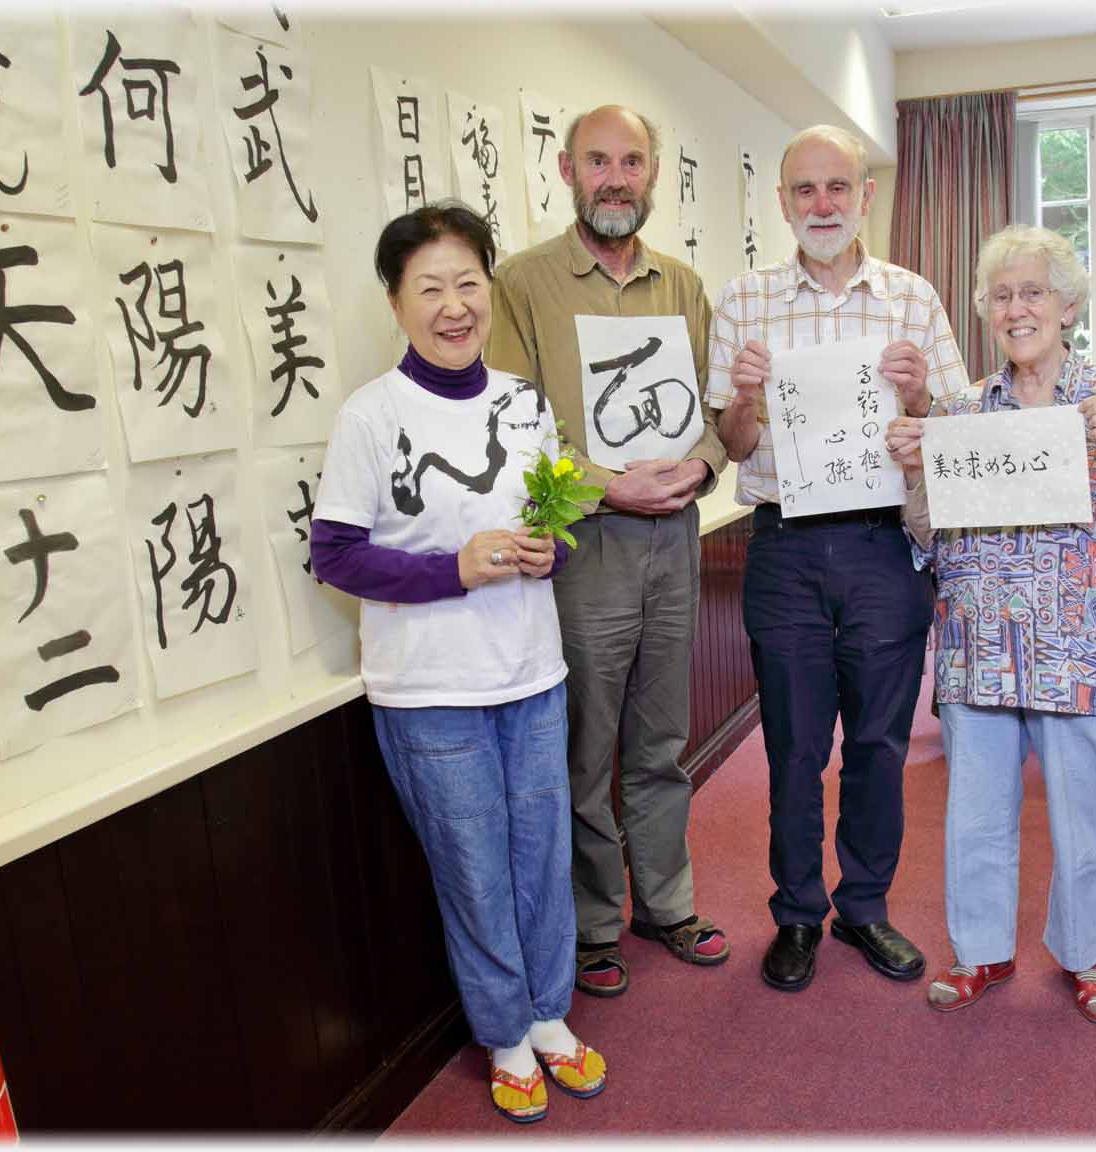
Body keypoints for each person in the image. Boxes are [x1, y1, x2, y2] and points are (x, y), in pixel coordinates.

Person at [310, 202, 605, 1123]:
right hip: (429, 690)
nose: (453, 305)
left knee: (542, 858)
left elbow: (553, 528)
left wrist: (545, 552)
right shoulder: (370, 415)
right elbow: (336, 555)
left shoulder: (522, 402)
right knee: (472, 868)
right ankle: (506, 1035)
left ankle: (552, 1016)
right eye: (428, 288)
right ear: (395, 302)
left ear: (490, 288)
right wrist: (455, 567)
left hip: (532, 670)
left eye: (467, 283)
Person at [884, 223, 1096, 1025]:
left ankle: (1085, 955)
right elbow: (924, 536)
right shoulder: (961, 413)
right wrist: (916, 475)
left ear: (1069, 305)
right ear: (987, 311)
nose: (1018, 309)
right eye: (1002, 295)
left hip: (1084, 650)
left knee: (1084, 815)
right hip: (981, 649)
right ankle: (982, 949)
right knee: (977, 813)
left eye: (1034, 292)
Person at [706, 124, 971, 993]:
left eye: (837, 188)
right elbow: (736, 443)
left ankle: (864, 906)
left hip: (882, 546)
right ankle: (796, 914)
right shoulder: (744, 300)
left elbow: (955, 427)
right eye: (803, 190)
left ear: (864, 197)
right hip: (783, 548)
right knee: (790, 745)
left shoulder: (910, 297)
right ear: (782, 202)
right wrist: (744, 396)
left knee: (879, 743)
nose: (821, 204)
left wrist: (921, 398)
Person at [486, 104, 731, 999]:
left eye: (632, 161)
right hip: (583, 546)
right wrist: (604, 484)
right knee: (586, 748)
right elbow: (511, 425)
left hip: (675, 539)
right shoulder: (523, 283)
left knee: (662, 741)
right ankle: (593, 925)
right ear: (565, 170)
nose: (616, 177)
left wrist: (700, 470)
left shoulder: (683, 284)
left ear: (654, 174)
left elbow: (713, 420)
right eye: (599, 160)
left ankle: (666, 904)